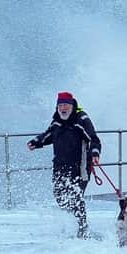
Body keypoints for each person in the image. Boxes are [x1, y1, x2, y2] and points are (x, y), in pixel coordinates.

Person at [27, 91, 101, 238]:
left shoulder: (82, 119)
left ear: (72, 105)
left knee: (76, 197)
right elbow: (49, 135)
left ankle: (82, 228)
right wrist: (36, 142)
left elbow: (94, 139)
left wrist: (94, 154)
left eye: (66, 105)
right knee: (60, 196)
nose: (63, 108)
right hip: (60, 167)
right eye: (60, 105)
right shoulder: (57, 121)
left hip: (80, 168)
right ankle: (71, 224)